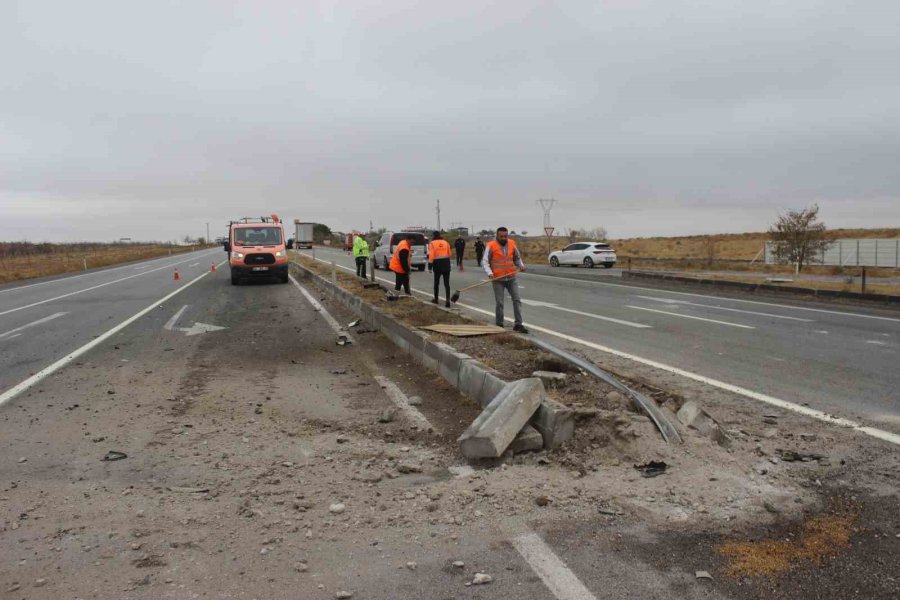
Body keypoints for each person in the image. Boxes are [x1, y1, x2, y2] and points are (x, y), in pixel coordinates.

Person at [482, 227, 528, 333]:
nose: (503, 238)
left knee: (517, 300)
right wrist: (490, 273)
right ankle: (499, 324)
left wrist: (521, 265)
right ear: (497, 236)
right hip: (498, 279)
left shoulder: (512, 243)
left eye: (505, 236)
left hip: (511, 278)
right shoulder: (491, 245)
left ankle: (518, 324)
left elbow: (517, 257)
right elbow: (485, 262)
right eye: (501, 236)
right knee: (500, 303)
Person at [427, 231, 453, 307]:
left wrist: (430, 267)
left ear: (433, 236)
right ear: (440, 235)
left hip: (437, 265)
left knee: (436, 283)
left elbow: (431, 255)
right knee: (447, 284)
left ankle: (436, 299)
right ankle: (448, 301)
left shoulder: (432, 243)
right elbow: (450, 254)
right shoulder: (446, 242)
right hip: (446, 264)